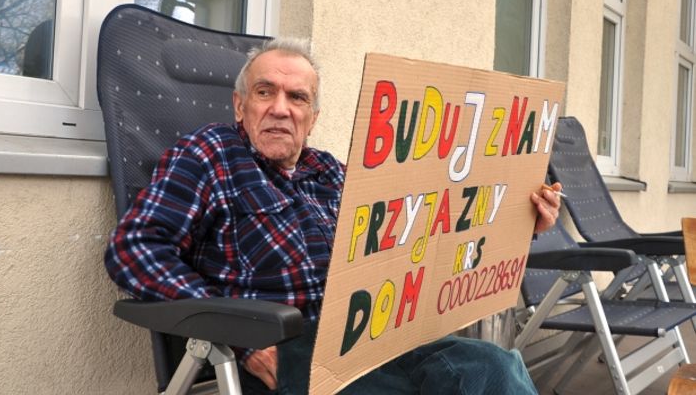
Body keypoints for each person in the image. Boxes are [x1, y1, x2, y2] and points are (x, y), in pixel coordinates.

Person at [105, 37, 562, 394]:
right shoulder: (210, 154)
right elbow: (134, 249)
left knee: (492, 365)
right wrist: (239, 338)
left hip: (371, 336)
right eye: (265, 92)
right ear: (240, 106)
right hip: (291, 351)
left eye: (297, 97)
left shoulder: (333, 171)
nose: (280, 108)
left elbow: (414, 241)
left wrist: (519, 223)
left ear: (313, 116)